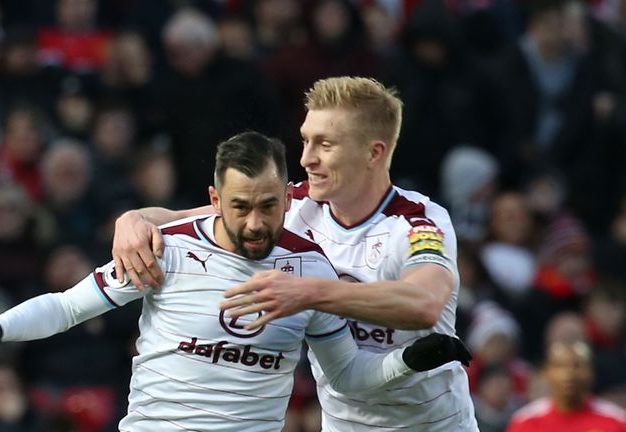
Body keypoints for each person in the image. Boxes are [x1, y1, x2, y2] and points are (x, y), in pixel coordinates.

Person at [0, 131, 470, 431]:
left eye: (268, 207)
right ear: (215, 198)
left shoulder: (312, 271)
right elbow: (67, 309)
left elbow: (349, 377)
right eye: (240, 206)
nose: (254, 223)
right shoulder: (167, 247)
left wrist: (410, 359)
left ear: (287, 201)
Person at [111, 77, 479, 430]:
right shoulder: (294, 206)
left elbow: (424, 303)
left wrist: (309, 292)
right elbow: (176, 221)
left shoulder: (417, 222)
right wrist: (132, 222)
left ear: (374, 152)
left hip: (433, 426)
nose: (306, 158)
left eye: (325, 144)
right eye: (305, 141)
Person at [506, 340, 626, 432]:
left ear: (591, 373)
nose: (569, 373)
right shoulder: (525, 422)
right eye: (560, 366)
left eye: (577, 365)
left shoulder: (616, 421)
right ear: (547, 373)